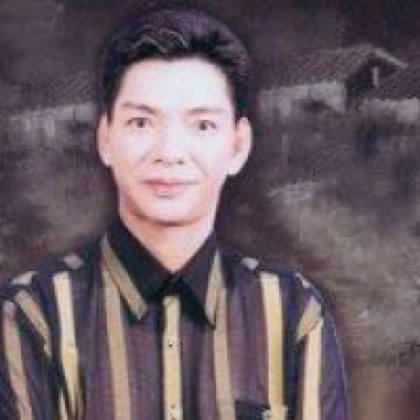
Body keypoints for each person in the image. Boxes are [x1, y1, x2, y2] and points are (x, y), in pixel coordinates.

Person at [0, 7, 348, 420]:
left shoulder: (293, 313)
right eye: (141, 122)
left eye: (202, 125)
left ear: (238, 146)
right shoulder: (33, 314)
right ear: (105, 139)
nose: (169, 152)